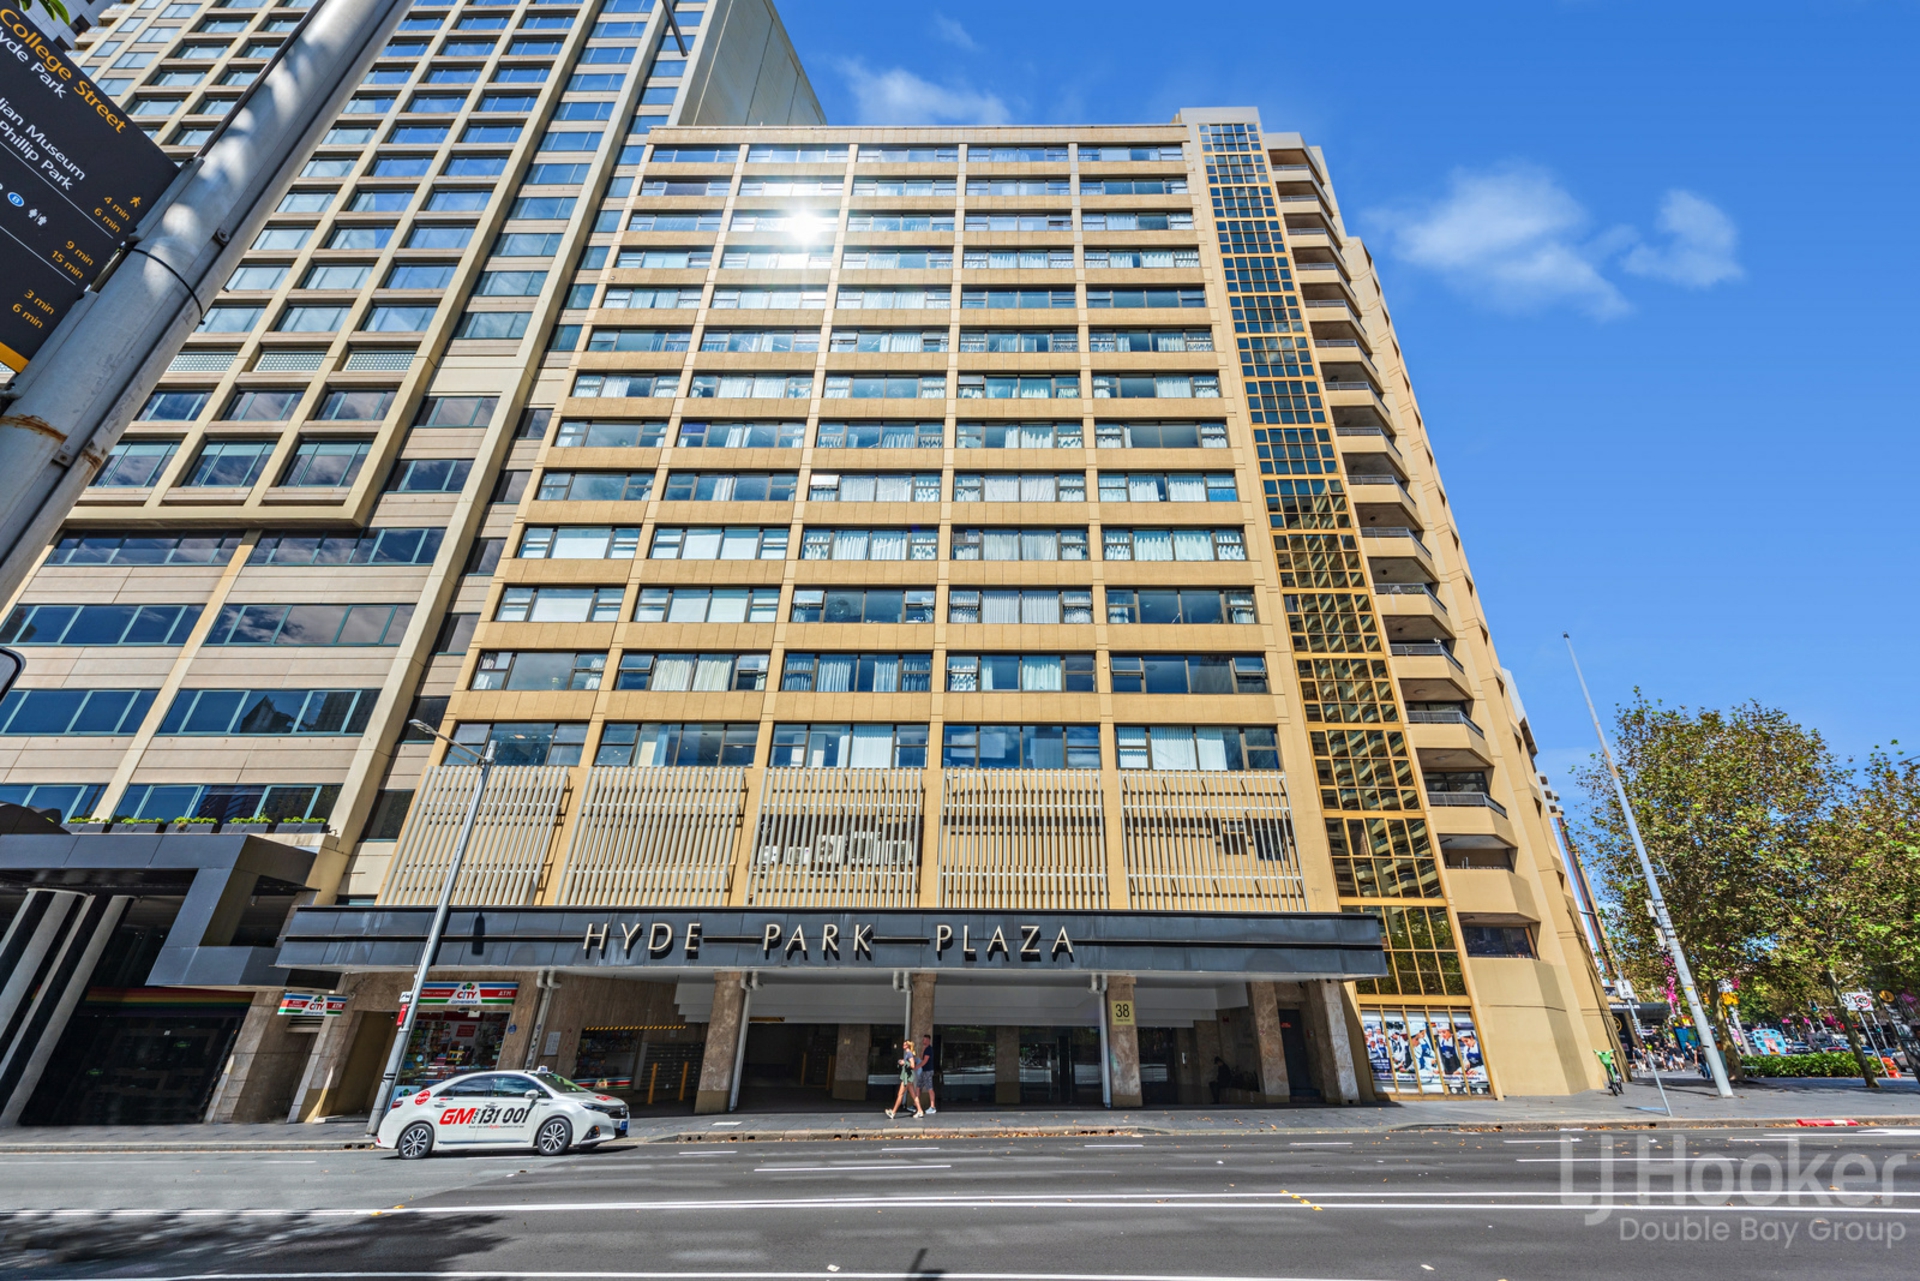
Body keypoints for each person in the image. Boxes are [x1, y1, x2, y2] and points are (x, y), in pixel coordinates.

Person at [886, 1038, 921, 1120]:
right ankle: (920, 1110)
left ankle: (893, 1112)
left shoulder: (909, 1054)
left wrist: (904, 1062)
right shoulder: (908, 1054)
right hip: (908, 1077)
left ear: (907, 1046)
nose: (903, 1045)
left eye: (905, 1044)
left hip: (906, 1078)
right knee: (914, 1095)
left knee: (900, 1095)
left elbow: (912, 1065)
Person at [917, 1033, 937, 1115]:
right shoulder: (925, 1049)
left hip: (928, 1071)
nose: (923, 1041)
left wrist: (917, 1067)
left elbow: (925, 1061)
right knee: (918, 1086)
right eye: (923, 1039)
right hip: (924, 1070)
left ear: (928, 1040)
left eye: (925, 1040)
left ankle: (932, 1106)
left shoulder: (929, 1049)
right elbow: (921, 1057)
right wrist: (922, 1050)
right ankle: (916, 1104)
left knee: (929, 1088)